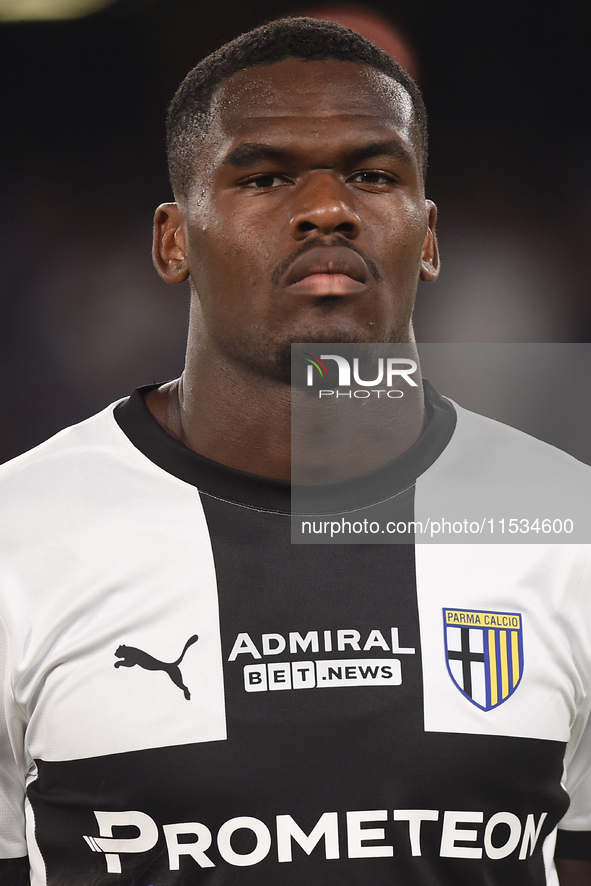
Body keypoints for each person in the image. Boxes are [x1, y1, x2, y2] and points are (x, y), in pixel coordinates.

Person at [1, 16, 590, 886]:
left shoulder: (565, 523)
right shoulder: (20, 535)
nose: (326, 208)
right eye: (265, 175)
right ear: (173, 241)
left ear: (427, 238)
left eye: (371, 173)